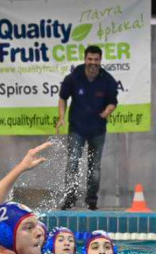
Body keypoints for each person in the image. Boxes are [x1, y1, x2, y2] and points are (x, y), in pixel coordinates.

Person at [56, 45, 119, 211]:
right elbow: (62, 98)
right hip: (77, 128)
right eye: (90, 59)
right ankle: (69, 199)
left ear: (100, 60)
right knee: (72, 163)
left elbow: (113, 102)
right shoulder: (74, 77)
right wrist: (61, 117)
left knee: (94, 167)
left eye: (96, 60)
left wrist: (108, 110)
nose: (93, 62)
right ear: (85, 59)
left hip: (97, 130)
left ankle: (92, 201)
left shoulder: (108, 80)